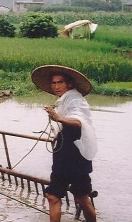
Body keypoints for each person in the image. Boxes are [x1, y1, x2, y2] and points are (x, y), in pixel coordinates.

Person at [31, 65, 97, 222]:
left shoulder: (75, 99)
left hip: (75, 155)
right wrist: (57, 133)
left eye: (60, 82)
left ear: (70, 83)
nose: (56, 86)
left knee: (80, 198)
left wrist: (58, 118)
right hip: (64, 154)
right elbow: (66, 124)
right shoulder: (64, 100)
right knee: (55, 196)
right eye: (53, 83)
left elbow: (79, 121)